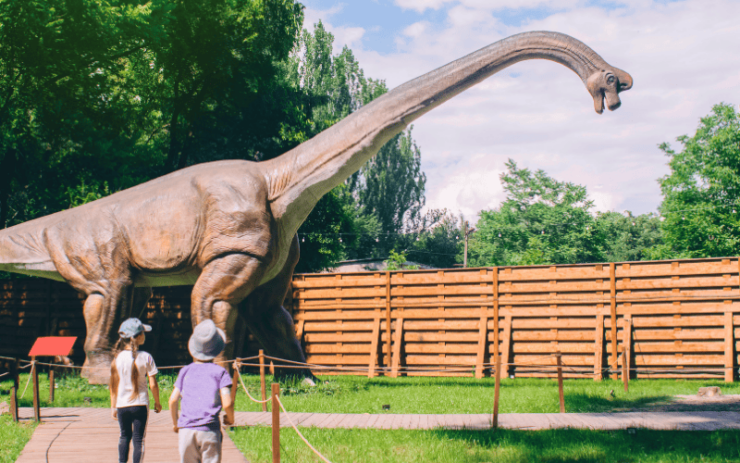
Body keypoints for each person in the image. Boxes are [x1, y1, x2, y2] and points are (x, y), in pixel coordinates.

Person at [169, 319, 235, 463]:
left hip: (186, 430)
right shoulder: (220, 372)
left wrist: (176, 423)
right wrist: (230, 418)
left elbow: (173, 400)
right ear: (217, 348)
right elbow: (228, 403)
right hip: (209, 430)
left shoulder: (185, 371)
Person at [110, 317, 162, 463]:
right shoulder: (146, 357)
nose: (145, 335)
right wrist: (157, 402)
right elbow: (153, 384)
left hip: (122, 405)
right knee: (139, 439)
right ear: (138, 337)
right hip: (140, 404)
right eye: (143, 333)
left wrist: (113, 406)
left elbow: (113, 386)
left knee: (124, 436)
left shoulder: (117, 358)